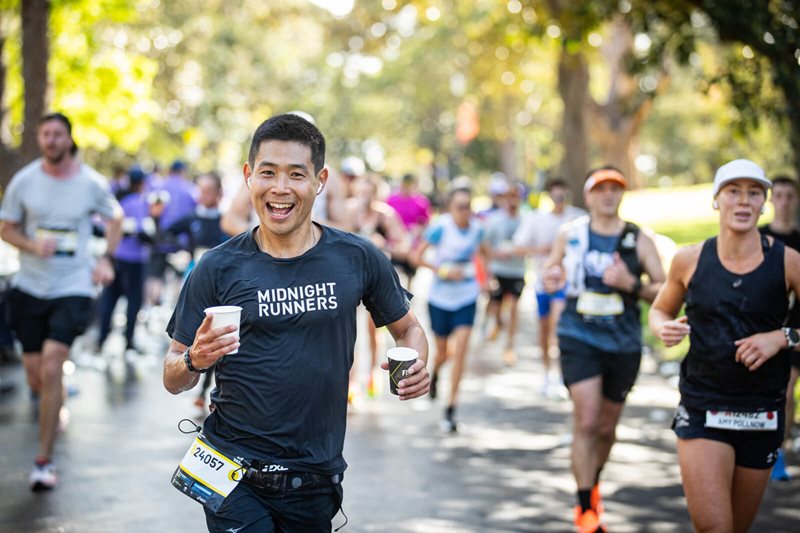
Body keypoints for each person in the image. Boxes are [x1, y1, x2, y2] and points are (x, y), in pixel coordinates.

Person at [162, 113, 429, 532]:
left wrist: (413, 364)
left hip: (314, 477)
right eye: (268, 172)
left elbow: (408, 327)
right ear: (249, 176)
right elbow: (172, 374)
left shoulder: (357, 257)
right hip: (230, 470)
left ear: (320, 181)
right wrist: (194, 359)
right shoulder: (217, 266)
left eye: (296, 174)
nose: (280, 188)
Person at [649, 159, 800, 532]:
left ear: (763, 203)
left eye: (754, 193)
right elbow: (660, 310)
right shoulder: (689, 259)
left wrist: (781, 337)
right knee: (716, 528)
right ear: (716, 200)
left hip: (762, 411)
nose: (744, 201)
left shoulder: (788, 261)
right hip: (704, 406)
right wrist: (663, 327)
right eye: (734, 191)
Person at [0, 112, 123, 491]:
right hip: (30, 288)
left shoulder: (90, 183)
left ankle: (43, 461)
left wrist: (106, 259)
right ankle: (56, 402)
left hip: (73, 286)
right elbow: (6, 227)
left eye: (58, 134)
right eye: (45, 134)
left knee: (53, 365)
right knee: (36, 375)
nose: (51, 140)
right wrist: (31, 245)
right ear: (40, 139)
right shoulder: (25, 181)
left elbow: (116, 218)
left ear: (69, 139)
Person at [542, 166, 664, 532]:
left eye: (615, 189)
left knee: (607, 429)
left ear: (622, 194)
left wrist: (631, 284)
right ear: (589, 195)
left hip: (623, 343)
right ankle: (585, 509)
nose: (608, 195)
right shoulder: (570, 234)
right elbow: (551, 274)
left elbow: (664, 290)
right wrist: (552, 278)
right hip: (578, 337)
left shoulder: (638, 238)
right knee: (587, 420)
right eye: (601, 189)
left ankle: (592, 484)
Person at [411, 185, 487, 433]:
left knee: (462, 349)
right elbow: (416, 257)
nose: (465, 211)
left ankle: (451, 408)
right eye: (460, 207)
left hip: (467, 296)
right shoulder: (440, 228)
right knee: (443, 353)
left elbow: (483, 254)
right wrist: (442, 270)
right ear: (450, 208)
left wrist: (486, 279)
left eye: (468, 206)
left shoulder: (477, 229)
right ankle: (436, 373)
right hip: (440, 299)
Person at [514, 178, 586, 396]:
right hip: (542, 282)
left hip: (566, 284)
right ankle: (547, 374)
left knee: (558, 326)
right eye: (555, 195)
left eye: (562, 195)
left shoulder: (578, 218)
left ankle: (562, 375)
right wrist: (541, 250)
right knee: (545, 329)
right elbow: (519, 247)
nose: (559, 199)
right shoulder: (537, 219)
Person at [346, 175, 411, 399]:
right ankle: (351, 382)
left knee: (374, 329)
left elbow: (404, 245)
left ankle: (374, 372)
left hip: (376, 278)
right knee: (348, 331)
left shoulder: (385, 215)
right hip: (350, 276)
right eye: (361, 192)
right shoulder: (348, 211)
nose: (364, 197)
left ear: (376, 194)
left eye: (369, 193)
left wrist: (384, 244)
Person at [758, 176, 800, 481]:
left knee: (787, 392)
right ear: (771, 199)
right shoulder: (758, 238)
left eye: (790, 196)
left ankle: (780, 450)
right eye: (779, 195)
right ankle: (767, 450)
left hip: (795, 330)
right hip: (764, 328)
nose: (784, 202)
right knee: (773, 391)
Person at [96, 165, 157, 355]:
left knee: (110, 299)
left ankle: (101, 339)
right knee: (133, 301)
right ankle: (128, 340)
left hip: (116, 257)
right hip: (134, 260)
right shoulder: (138, 202)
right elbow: (141, 230)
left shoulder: (117, 200)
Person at [482, 181, 527, 366]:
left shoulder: (525, 220)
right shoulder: (495, 220)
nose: (511, 200)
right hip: (498, 270)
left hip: (517, 271)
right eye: (508, 196)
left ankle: (509, 346)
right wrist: (493, 257)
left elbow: (531, 244)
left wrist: (520, 251)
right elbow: (484, 245)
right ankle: (495, 323)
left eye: (515, 196)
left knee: (515, 307)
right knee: (495, 305)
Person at [386, 173, 432, 289]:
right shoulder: (391, 200)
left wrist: (418, 229)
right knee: (394, 272)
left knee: (410, 274)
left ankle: (408, 294)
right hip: (395, 244)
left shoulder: (421, 202)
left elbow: (426, 223)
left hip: (412, 245)